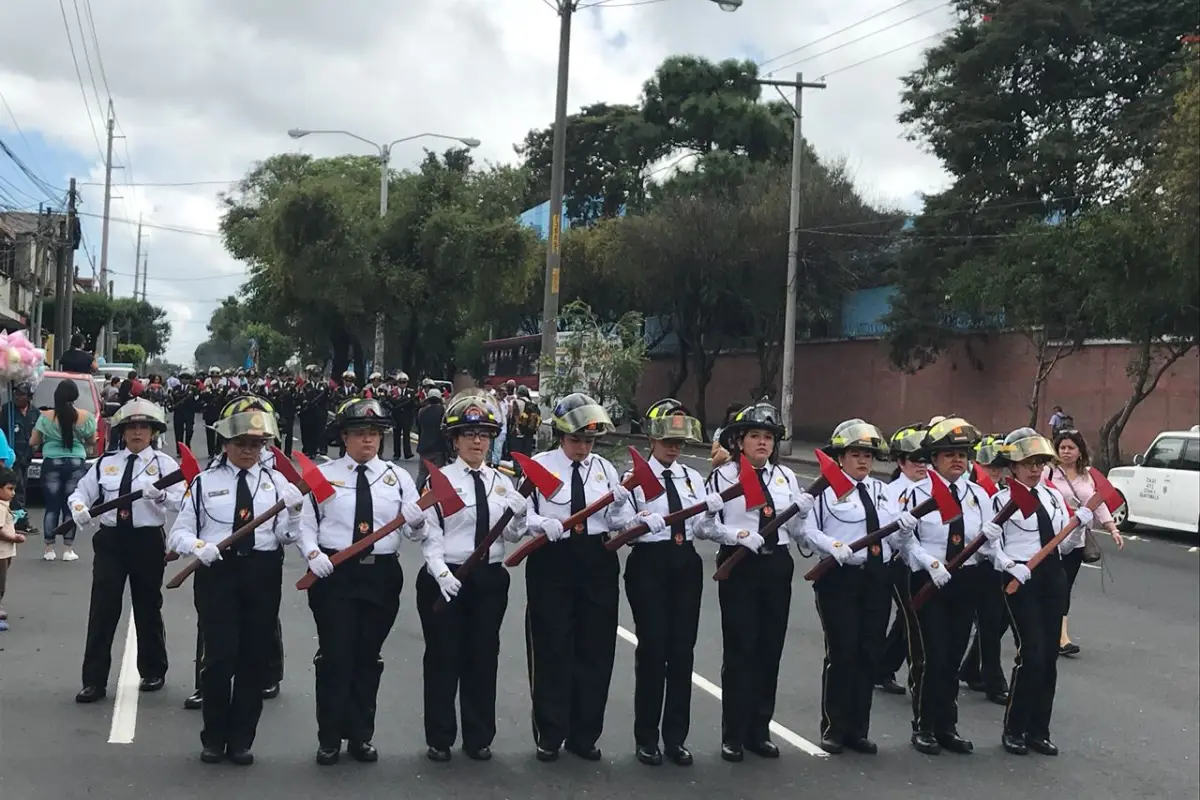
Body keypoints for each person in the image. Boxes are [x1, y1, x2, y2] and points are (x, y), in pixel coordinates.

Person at [166, 396, 305, 765]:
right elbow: (176, 536)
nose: (248, 451)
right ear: (225, 444)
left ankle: (242, 739)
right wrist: (200, 545)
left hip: (261, 572)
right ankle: (213, 738)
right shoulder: (203, 483)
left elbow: (287, 539)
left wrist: (293, 514)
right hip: (218, 573)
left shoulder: (277, 485)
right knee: (219, 658)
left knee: (253, 659)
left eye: (256, 444)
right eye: (241, 443)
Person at [296, 397, 423, 765]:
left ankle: (360, 735)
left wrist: (416, 521)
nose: (368, 440)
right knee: (336, 655)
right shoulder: (324, 475)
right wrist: (313, 554)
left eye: (374, 433)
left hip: (381, 574)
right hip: (335, 574)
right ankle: (330, 736)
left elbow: (417, 533)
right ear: (343, 437)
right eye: (359, 433)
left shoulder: (397, 477)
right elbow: (305, 524)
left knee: (369, 656)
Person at [524, 393, 635, 762]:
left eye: (589, 441)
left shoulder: (604, 469)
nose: (583, 448)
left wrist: (625, 512)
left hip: (596, 560)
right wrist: (543, 523)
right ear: (561, 435)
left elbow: (615, 522)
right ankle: (550, 732)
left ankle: (585, 734)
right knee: (553, 646)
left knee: (596, 648)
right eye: (577, 440)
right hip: (552, 558)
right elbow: (520, 516)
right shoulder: (539, 466)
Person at [416, 394, 527, 763]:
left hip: (489, 580)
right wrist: (441, 572)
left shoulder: (502, 482)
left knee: (483, 657)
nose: (477, 441)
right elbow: (429, 535)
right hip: (446, 576)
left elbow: (511, 536)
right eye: (468, 434)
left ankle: (479, 736)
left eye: (484, 434)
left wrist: (521, 516)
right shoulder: (440, 482)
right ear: (454, 439)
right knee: (443, 657)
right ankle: (440, 737)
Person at [801, 419, 915, 755]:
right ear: (840, 457)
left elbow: (894, 537)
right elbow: (806, 529)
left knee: (868, 652)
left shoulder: (881, 491)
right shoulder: (824, 489)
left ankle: (857, 729)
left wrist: (905, 530)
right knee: (842, 651)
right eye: (855, 454)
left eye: (867, 455)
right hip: (839, 577)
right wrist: (831, 545)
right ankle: (834, 727)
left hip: (876, 578)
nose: (863, 461)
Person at [706, 402, 810, 762]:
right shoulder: (723, 477)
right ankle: (733, 734)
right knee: (740, 650)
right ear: (739, 440)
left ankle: (758, 730)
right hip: (740, 565)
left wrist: (803, 516)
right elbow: (704, 526)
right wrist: (735, 535)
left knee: (770, 649)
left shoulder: (786, 478)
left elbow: (798, 532)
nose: (763, 443)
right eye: (755, 436)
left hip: (777, 564)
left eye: (768, 437)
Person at [624, 399, 722, 766]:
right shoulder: (634, 476)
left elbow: (701, 529)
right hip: (649, 563)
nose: (674, 445)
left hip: (685, 564)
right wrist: (637, 520)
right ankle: (646, 737)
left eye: (679, 440)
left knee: (682, 652)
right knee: (653, 650)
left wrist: (711, 513)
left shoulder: (692, 477)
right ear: (651, 437)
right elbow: (619, 524)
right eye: (667, 438)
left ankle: (675, 738)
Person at [68, 399, 185, 703]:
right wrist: (79, 506)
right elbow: (82, 491)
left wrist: (161, 496)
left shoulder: (165, 465)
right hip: (111, 541)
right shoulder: (107, 462)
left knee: (148, 605)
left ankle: (153, 669)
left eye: (143, 426)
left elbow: (184, 502)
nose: (137, 432)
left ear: (153, 432)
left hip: (146, 540)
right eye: (131, 426)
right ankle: (93, 680)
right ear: (122, 432)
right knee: (103, 609)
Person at [895, 418, 990, 755]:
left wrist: (994, 545)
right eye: (949, 454)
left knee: (952, 656)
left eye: (962, 454)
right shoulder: (916, 493)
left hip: (965, 580)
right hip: (928, 579)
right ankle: (923, 727)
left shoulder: (977, 495)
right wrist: (928, 562)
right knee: (930, 656)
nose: (957, 461)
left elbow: (988, 540)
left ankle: (947, 726)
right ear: (933, 458)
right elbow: (903, 541)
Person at [981, 427, 1073, 756]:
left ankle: (1038, 730)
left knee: (1049, 659)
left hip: (1052, 576)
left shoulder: (1052, 496)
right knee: (1031, 654)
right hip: (1020, 578)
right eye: (1027, 463)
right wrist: (1009, 565)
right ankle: (1014, 728)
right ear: (1013, 467)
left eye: (1039, 463)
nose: (1034, 469)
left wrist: (1082, 523)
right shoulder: (1000, 500)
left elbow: (1066, 541)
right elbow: (990, 547)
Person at [1046, 429, 1123, 657]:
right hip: (1051, 541)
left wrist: (1112, 528)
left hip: (1077, 541)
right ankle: (1038, 634)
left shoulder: (1089, 476)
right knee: (1049, 587)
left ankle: (1062, 637)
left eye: (1071, 448)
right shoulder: (1047, 474)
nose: (1066, 452)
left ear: (1080, 452)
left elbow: (1097, 503)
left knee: (1064, 588)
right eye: (1062, 448)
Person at [957, 433, 1012, 705]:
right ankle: (994, 682)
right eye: (992, 467)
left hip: (993, 565)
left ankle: (972, 669)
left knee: (995, 622)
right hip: (967, 566)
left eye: (1000, 467)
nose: (997, 473)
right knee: (989, 623)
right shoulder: (968, 490)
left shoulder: (1000, 492)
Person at [875, 422, 929, 696]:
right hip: (900, 562)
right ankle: (918, 678)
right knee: (913, 618)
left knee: (909, 619)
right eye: (915, 460)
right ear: (900, 461)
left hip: (929, 562)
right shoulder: (892, 491)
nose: (922, 465)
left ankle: (882, 666)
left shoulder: (933, 488)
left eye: (926, 460)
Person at [31, 379, 97, 562]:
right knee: (72, 505)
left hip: (52, 462)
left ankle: (49, 549)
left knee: (52, 506)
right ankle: (68, 549)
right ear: (75, 395)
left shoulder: (45, 417)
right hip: (76, 462)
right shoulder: (86, 416)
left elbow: (33, 441)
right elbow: (92, 441)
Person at [2, 383, 41, 533]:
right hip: (11, 456)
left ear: (29, 397)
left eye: (22, 394)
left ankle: (14, 519)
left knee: (21, 486)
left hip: (27, 456)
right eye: (16, 394)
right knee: (16, 489)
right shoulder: (7, 411)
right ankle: (21, 521)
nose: (18, 397)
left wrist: (33, 450)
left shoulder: (34, 413)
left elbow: (38, 435)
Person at [0, 467, 24, 632]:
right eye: (9, 489)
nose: (13, 493)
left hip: (5, 552)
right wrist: (14, 538)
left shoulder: (4, 504)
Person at [415, 389, 446, 488]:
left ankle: (417, 495)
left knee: (422, 474)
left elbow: (419, 428)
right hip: (438, 447)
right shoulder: (443, 411)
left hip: (424, 447)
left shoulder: (421, 411)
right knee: (437, 474)